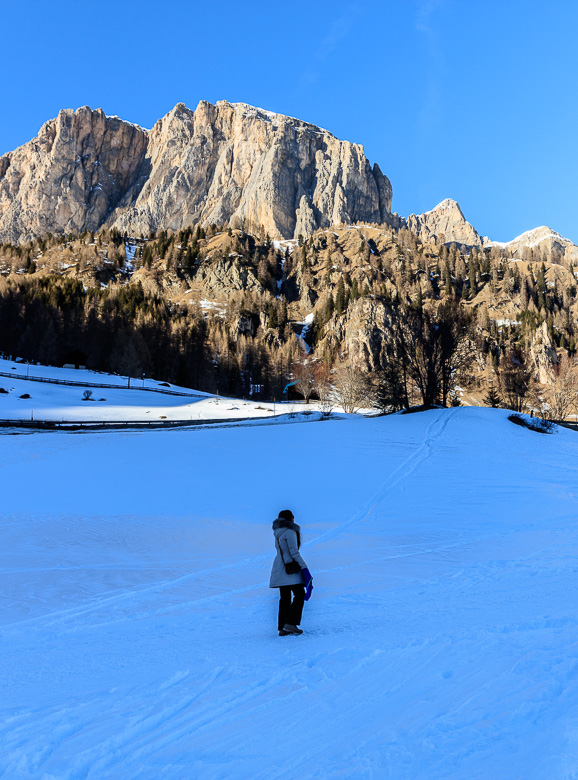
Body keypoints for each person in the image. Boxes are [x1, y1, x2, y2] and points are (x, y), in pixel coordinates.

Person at [269, 509, 310, 635]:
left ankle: (282, 627)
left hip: (279, 567)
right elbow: (294, 553)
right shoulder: (290, 531)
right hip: (290, 569)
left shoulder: (277, 532)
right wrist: (304, 567)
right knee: (299, 594)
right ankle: (291, 623)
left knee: (285, 598)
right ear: (290, 518)